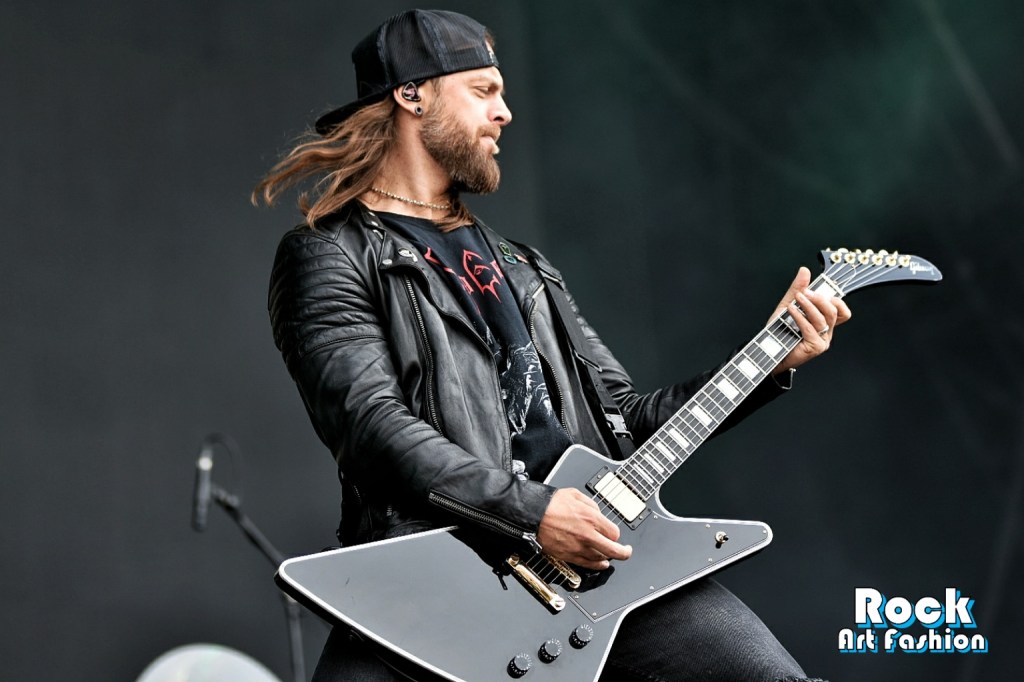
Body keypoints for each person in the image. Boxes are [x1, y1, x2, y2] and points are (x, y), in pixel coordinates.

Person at [255, 9, 848, 682]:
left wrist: (772, 358)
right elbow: (371, 428)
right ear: (412, 95)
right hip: (445, 585)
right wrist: (532, 513)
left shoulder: (523, 266)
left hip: (601, 567)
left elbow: (625, 422)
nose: (504, 113)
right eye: (483, 90)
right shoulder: (330, 254)